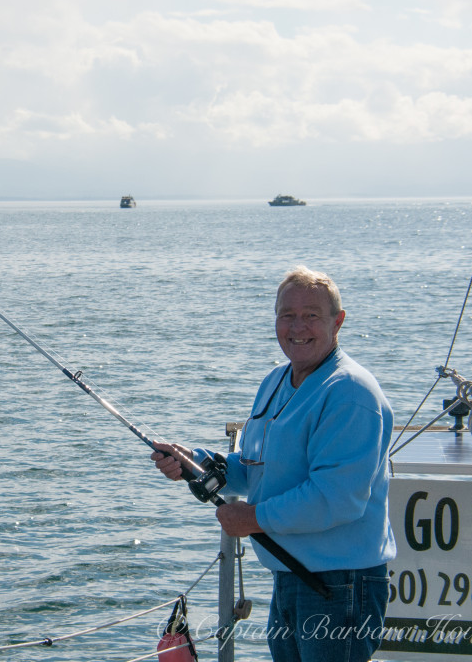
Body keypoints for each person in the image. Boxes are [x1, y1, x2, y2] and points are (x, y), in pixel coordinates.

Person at [152, 266, 396, 662]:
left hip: (341, 586)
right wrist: (196, 461)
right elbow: (255, 469)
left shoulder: (350, 392)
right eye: (287, 315)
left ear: (338, 322)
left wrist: (253, 519)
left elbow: (337, 499)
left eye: (312, 315)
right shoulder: (276, 381)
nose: (298, 326)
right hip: (289, 578)